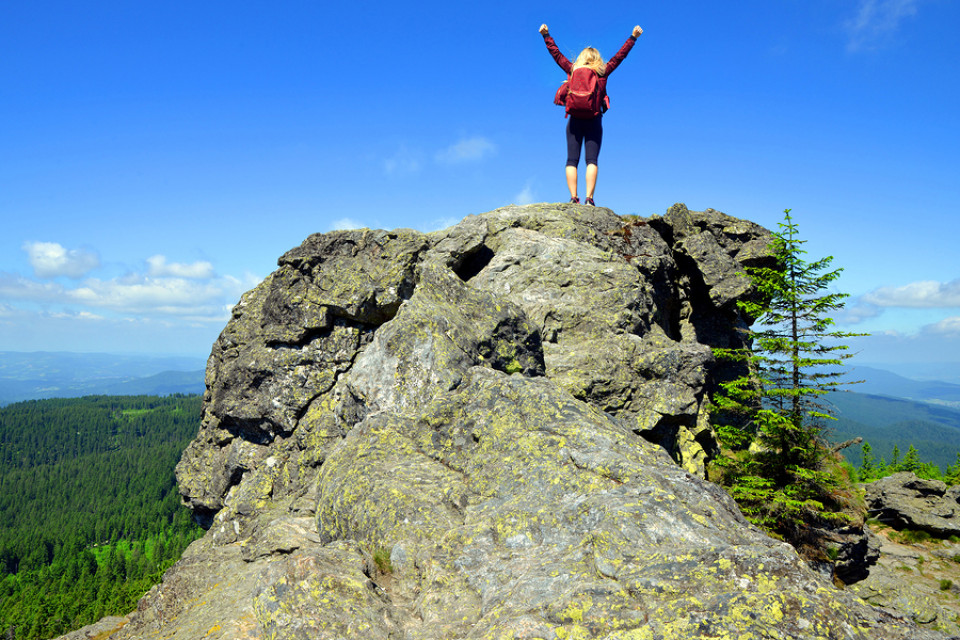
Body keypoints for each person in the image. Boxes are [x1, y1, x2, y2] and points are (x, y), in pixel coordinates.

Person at [539, 23, 642, 205]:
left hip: (574, 121)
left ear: (581, 58)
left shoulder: (572, 69)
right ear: (597, 59)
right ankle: (589, 199)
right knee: (591, 160)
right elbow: (620, 56)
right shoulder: (602, 72)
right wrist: (633, 37)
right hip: (594, 120)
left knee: (572, 160)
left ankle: (573, 198)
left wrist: (546, 35)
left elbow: (556, 55)